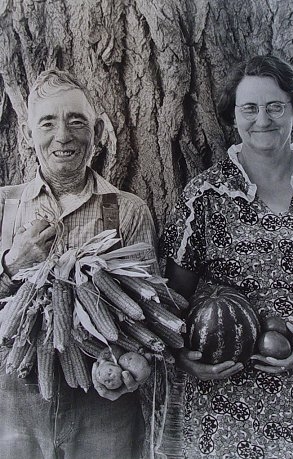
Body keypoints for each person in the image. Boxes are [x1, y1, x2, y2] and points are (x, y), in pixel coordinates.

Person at [161, 55, 293, 458]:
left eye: (275, 106)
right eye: (249, 108)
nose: (262, 119)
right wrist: (183, 357)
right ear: (233, 117)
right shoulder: (204, 196)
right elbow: (172, 301)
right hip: (224, 395)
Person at [0, 69, 159, 459]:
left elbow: (151, 312)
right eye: (48, 122)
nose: (63, 135)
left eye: (77, 120)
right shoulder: (4, 206)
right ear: (27, 133)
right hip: (12, 401)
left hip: (103, 402)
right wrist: (13, 263)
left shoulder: (127, 210)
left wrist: (130, 368)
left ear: (98, 130)